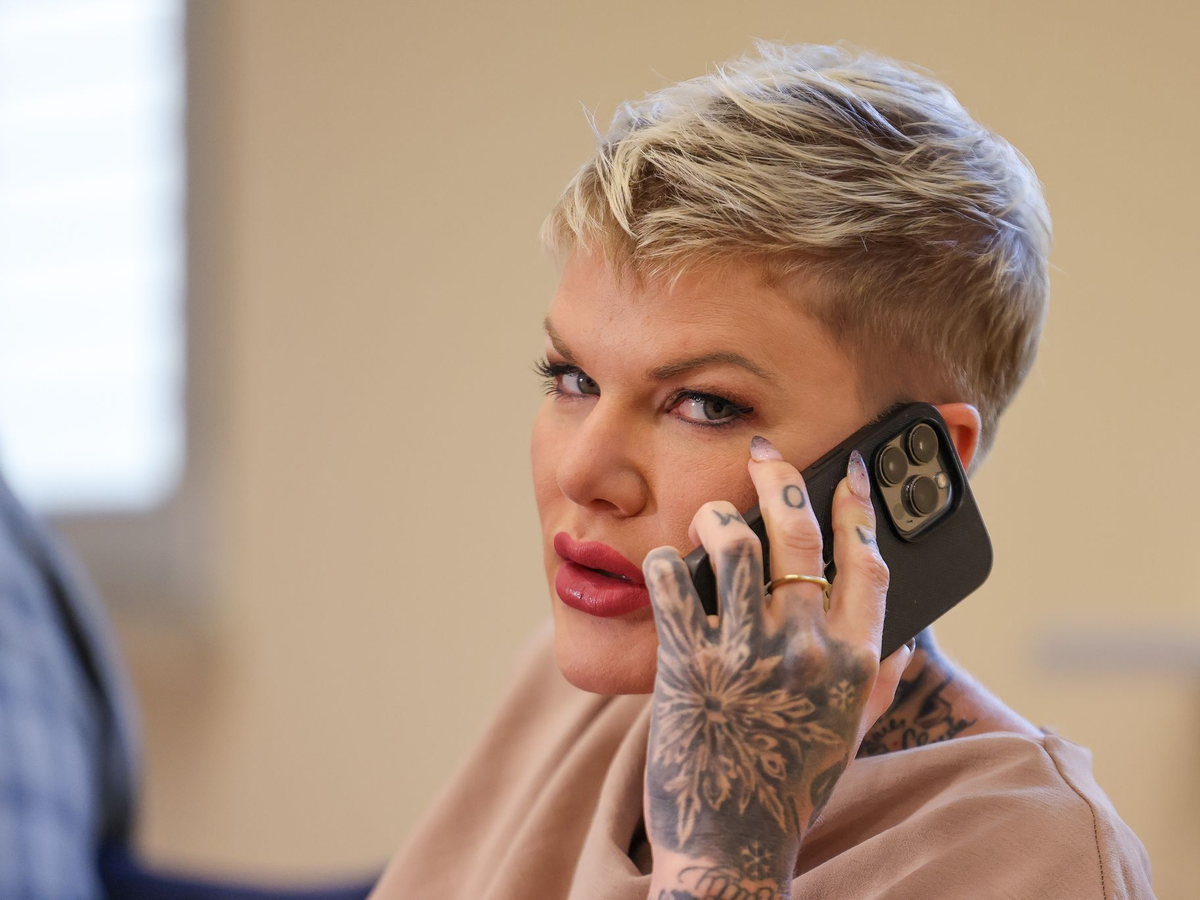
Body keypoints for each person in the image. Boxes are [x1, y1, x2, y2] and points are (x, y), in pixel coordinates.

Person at [368, 41, 1155, 898]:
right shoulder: (594, 684)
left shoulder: (1041, 859)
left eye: (706, 404)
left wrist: (727, 848)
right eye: (572, 379)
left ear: (931, 464)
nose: (584, 472)